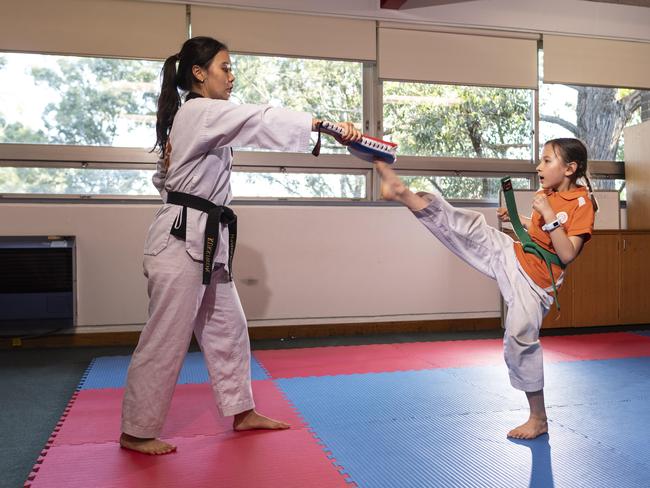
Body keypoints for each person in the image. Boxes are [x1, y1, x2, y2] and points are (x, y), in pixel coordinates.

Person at [120, 36, 361, 455]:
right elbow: (259, 119)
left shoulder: (195, 117)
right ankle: (136, 430)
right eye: (225, 68)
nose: (232, 77)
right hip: (180, 243)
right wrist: (320, 125)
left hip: (205, 240)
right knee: (166, 337)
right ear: (199, 73)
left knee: (229, 328)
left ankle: (242, 410)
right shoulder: (201, 110)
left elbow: (165, 179)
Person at [375, 138, 596, 439]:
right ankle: (403, 193)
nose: (538, 166)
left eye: (547, 160)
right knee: (471, 227)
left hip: (535, 285)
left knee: (519, 339)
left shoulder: (582, 204)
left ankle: (539, 418)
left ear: (570, 168)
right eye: (541, 160)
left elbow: (568, 253)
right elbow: (542, 233)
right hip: (514, 256)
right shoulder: (548, 193)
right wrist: (521, 219)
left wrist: (546, 216)